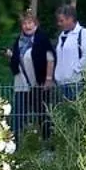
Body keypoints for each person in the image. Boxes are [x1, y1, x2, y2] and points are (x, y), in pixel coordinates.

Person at [5, 8, 53, 139]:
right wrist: (11, 56)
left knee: (43, 116)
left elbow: (50, 59)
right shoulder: (18, 41)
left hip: (38, 85)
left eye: (30, 23)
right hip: (21, 85)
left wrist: (48, 79)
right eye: (25, 23)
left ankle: (48, 143)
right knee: (18, 117)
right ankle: (15, 144)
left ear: (36, 25)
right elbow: (16, 62)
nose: (27, 26)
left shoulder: (41, 40)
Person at [52, 4, 86, 100]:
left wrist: (75, 70)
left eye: (61, 21)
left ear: (70, 19)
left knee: (74, 107)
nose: (59, 24)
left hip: (74, 82)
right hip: (61, 82)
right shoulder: (62, 35)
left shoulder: (82, 33)